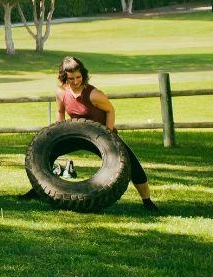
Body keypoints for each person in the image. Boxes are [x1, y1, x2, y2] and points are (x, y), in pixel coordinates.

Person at [21, 57, 159, 212]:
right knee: (45, 154)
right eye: (71, 78)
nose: (75, 81)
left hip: (101, 136)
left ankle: (147, 201)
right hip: (76, 134)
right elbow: (60, 111)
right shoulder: (61, 92)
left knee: (132, 164)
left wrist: (108, 133)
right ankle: (38, 190)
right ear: (64, 77)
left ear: (83, 75)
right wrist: (57, 135)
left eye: (78, 77)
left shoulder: (94, 94)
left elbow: (110, 110)